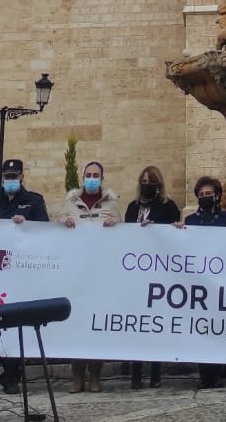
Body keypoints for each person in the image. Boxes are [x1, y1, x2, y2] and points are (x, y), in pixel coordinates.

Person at [0, 162, 45, 394]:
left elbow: (45, 234)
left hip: (20, 275)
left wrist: (27, 226)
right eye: (6, 176)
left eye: (14, 176)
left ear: (22, 176)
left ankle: (12, 375)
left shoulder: (34, 201)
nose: (10, 180)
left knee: (14, 323)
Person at [60, 161, 119, 392]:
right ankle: (77, 374)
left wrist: (116, 224)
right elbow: (55, 233)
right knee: (76, 324)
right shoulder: (70, 203)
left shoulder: (112, 204)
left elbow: (124, 236)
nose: (91, 178)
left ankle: (95, 374)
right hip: (76, 273)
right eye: (88, 175)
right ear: (82, 177)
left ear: (102, 178)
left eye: (96, 175)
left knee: (97, 324)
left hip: (101, 274)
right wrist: (62, 222)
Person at [126, 166, 180, 390]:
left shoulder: (168, 206)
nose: (147, 185)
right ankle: (136, 372)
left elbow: (173, 233)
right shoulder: (133, 207)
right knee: (137, 323)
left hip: (159, 271)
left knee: (155, 322)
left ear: (158, 184)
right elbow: (126, 233)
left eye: (151, 181)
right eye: (144, 181)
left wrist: (158, 229)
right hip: (136, 272)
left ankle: (156, 371)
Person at [181, 177, 226, 389]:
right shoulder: (190, 221)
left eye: (208, 194)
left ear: (217, 195)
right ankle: (205, 374)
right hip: (199, 282)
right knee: (202, 328)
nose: (205, 197)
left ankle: (217, 372)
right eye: (201, 195)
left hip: (221, 281)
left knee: (217, 327)